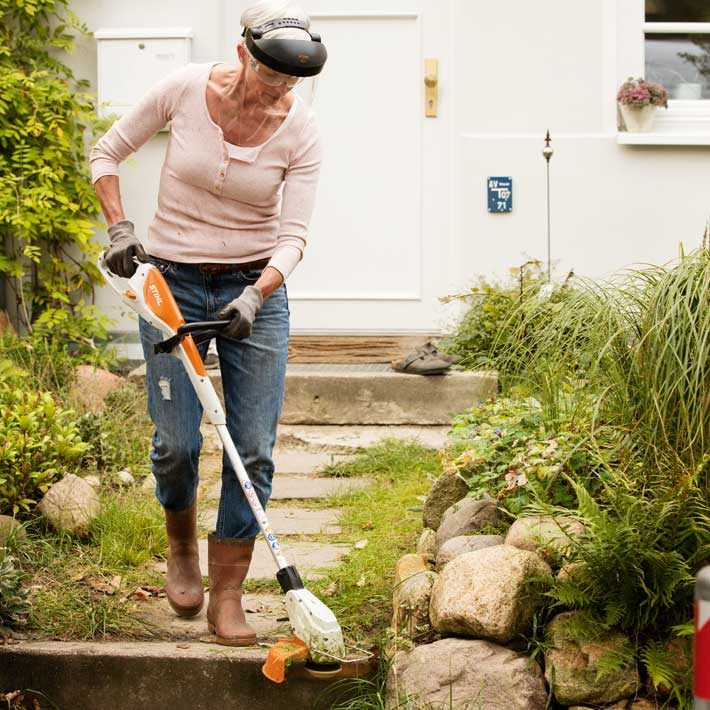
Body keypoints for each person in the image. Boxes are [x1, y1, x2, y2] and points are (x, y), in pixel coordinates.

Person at [89, 1, 326, 646]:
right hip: (172, 284)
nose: (281, 92)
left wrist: (257, 294)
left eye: (293, 82)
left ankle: (229, 593)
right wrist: (119, 228)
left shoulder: (300, 130)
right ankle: (183, 547)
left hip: (254, 290)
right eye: (272, 76)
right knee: (176, 443)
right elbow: (106, 153)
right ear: (244, 53)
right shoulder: (184, 90)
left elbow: (295, 237)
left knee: (252, 448)